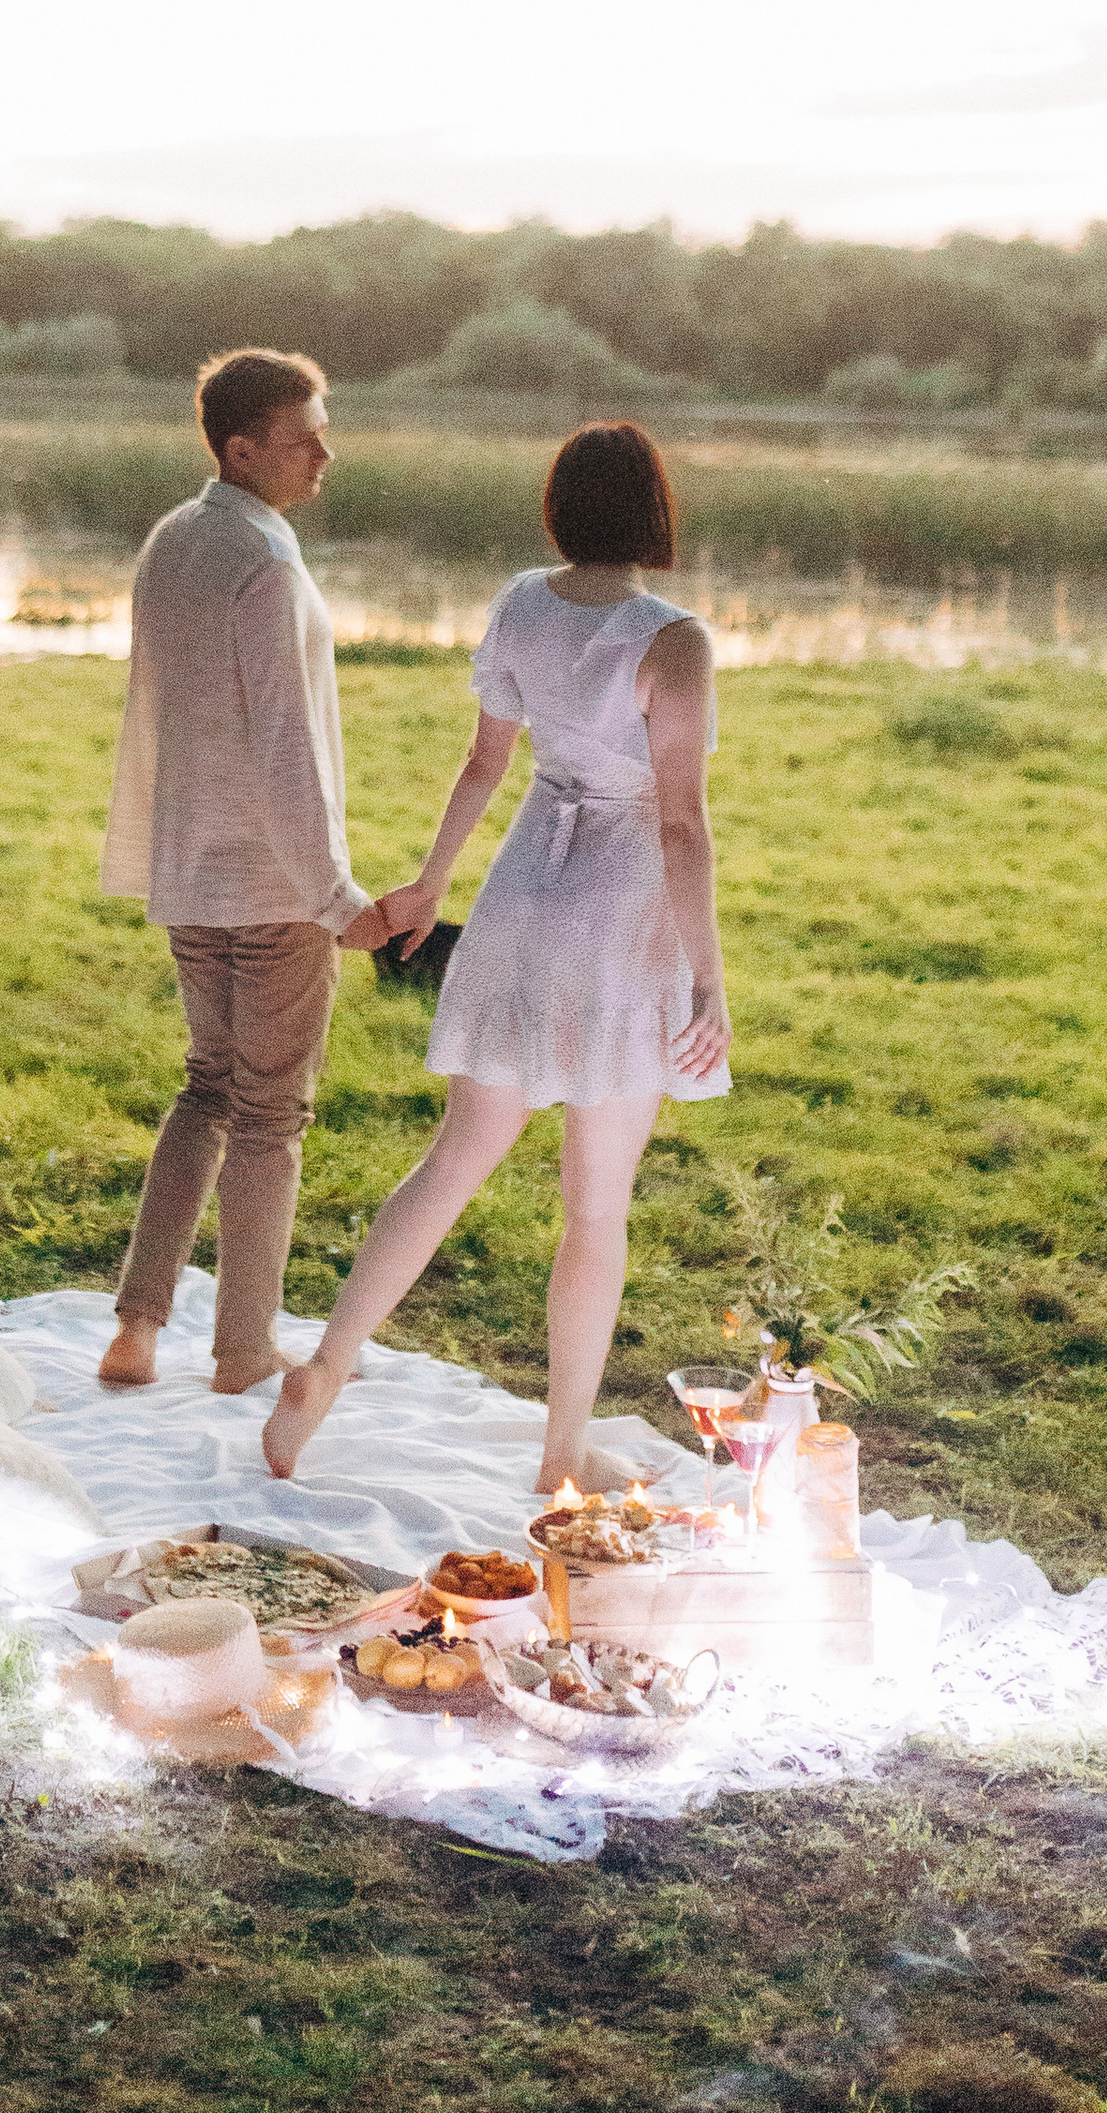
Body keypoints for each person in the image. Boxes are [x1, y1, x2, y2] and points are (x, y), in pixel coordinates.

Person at [263, 420, 729, 1490]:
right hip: (616, 912)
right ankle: (560, 1453)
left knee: (451, 1159)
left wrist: (432, 880)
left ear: (561, 509)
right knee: (593, 1208)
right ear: (653, 509)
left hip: (523, 888)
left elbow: (484, 760)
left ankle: (325, 1368)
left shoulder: (523, 601)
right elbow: (680, 824)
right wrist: (706, 981)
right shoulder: (674, 639)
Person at [96, 346, 389, 1396]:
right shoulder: (263, 565)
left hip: (191, 873)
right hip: (272, 890)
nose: (323, 452)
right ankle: (241, 1351)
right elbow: (285, 750)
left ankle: (136, 1327)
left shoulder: (174, 539)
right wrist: (338, 901)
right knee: (269, 1116)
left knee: (206, 1089)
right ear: (240, 447)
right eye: (303, 434)